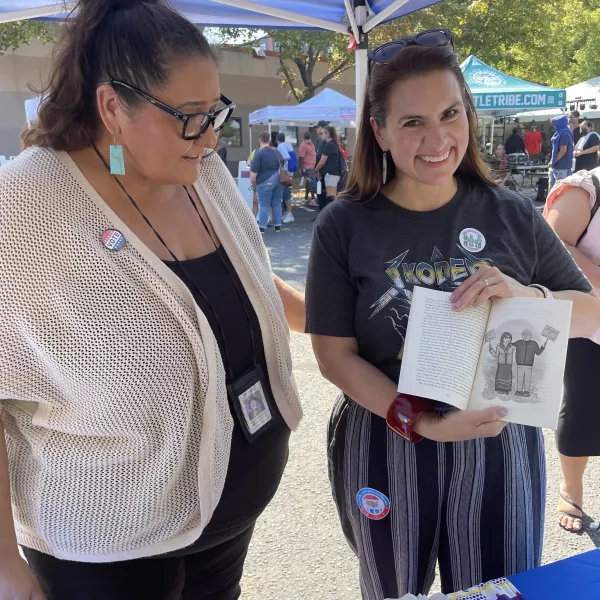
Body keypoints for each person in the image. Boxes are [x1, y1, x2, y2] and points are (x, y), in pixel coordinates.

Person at [0, 1, 306, 599]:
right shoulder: (22, 212)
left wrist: (358, 326)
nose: (211, 136)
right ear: (113, 106)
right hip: (109, 547)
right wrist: (5, 567)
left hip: (226, 526)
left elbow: (250, 284)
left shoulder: (204, 170)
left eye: (217, 111)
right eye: (191, 117)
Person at [305, 29, 600, 599]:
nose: (438, 139)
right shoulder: (343, 225)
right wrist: (424, 423)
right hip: (389, 435)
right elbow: (333, 356)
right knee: (393, 590)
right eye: (412, 122)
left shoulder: (511, 212)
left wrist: (528, 296)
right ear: (380, 132)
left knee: (497, 591)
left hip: (498, 439)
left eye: (450, 113)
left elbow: (593, 315)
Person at [544, 169, 600, 534]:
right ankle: (572, 489)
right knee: (582, 406)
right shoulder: (585, 189)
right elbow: (551, 243)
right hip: (588, 324)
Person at [250, 131, 284, 233]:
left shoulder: (259, 153)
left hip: (264, 180)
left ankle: (262, 227)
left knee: (264, 204)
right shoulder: (277, 151)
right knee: (277, 203)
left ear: (260, 140)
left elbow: (254, 171)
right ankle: (278, 226)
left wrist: (251, 182)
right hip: (279, 180)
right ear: (269, 140)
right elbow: (282, 163)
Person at [512, 329, 546, 397]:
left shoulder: (534, 344)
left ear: (531, 336)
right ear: (521, 335)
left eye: (527, 334)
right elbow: (510, 345)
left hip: (529, 366)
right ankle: (519, 391)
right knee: (520, 378)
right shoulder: (518, 342)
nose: (525, 336)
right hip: (519, 365)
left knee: (527, 379)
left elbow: (538, 353)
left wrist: (543, 347)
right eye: (524, 334)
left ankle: (526, 391)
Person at [314, 126, 342, 208]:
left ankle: (332, 217)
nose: (321, 135)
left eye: (323, 133)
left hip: (331, 174)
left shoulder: (330, 145)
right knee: (329, 197)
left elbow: (322, 162)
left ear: (328, 134)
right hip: (331, 174)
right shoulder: (332, 144)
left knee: (330, 197)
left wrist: (316, 170)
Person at [275, 131, 295, 224]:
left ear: (276, 139)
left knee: (285, 194)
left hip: (284, 174)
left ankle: (290, 214)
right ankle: (287, 213)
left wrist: (279, 163)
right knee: (285, 193)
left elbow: (286, 157)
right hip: (288, 173)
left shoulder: (280, 146)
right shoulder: (288, 145)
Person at [549, 114, 574, 188]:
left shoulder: (564, 134)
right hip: (559, 166)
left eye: (555, 124)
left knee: (559, 190)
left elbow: (563, 150)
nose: (554, 126)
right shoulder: (562, 132)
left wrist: (553, 162)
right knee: (554, 188)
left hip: (562, 167)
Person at [299, 131, 317, 206]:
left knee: (308, 183)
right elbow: (301, 158)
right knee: (311, 183)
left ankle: (306, 197)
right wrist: (302, 169)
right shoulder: (303, 145)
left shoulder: (311, 143)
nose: (308, 139)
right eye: (307, 138)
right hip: (307, 167)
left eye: (309, 138)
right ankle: (312, 199)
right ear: (304, 138)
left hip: (312, 166)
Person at [314, 120, 330, 212]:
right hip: (319, 173)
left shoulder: (327, 142)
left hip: (324, 173)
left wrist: (317, 170)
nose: (316, 129)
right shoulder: (319, 142)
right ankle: (320, 213)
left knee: (324, 195)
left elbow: (323, 159)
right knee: (319, 193)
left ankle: (324, 214)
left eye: (317, 127)